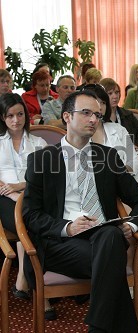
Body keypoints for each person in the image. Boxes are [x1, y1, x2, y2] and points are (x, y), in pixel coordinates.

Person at [22, 89, 138, 332]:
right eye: (86, 113)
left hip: (102, 238)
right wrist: (67, 227)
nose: (93, 119)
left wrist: (132, 225)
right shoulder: (42, 159)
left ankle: (97, 327)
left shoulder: (108, 156)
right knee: (112, 253)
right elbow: (30, 215)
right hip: (60, 244)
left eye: (97, 115)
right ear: (67, 117)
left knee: (111, 235)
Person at [0, 93, 54, 318]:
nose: (16, 120)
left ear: (26, 115)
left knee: (31, 221)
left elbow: (44, 178)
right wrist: (8, 190)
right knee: (32, 224)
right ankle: (43, 292)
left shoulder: (38, 142)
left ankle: (25, 278)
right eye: (10, 116)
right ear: (3, 118)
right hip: (3, 198)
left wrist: (19, 187)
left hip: (31, 196)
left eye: (20, 114)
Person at [82, 84, 138, 181]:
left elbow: (133, 162)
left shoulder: (119, 129)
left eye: (103, 102)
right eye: (96, 102)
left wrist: (118, 176)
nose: (100, 107)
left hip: (122, 184)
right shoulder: (80, 132)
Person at [100, 78, 138, 150]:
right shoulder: (98, 118)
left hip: (131, 157)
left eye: (117, 92)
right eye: (110, 93)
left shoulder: (127, 115)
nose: (115, 96)